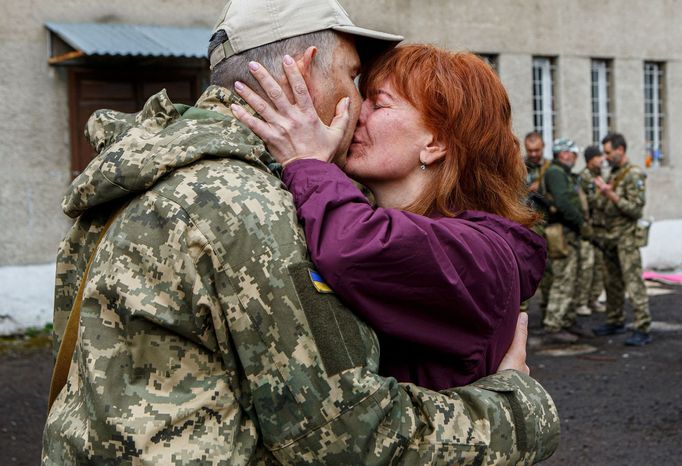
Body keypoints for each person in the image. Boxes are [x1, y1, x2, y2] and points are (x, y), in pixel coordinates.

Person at [42, 0, 560, 464]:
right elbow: (347, 437)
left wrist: (315, 169)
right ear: (307, 72)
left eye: (376, 100)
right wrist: (520, 407)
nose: (356, 105)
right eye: (356, 78)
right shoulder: (251, 203)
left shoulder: (149, 169)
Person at [231, 45, 547, 391]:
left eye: (378, 103)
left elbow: (353, 248)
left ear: (435, 142)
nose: (354, 113)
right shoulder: (430, 232)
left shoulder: (483, 254)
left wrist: (308, 162)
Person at [593, 132, 652, 346]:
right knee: (612, 282)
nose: (606, 157)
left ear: (620, 150)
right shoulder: (614, 174)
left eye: (609, 153)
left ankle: (643, 327)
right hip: (610, 238)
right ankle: (615, 320)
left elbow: (635, 210)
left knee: (633, 282)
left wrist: (611, 195)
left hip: (626, 238)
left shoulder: (634, 174)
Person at [541, 138, 589, 344]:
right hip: (562, 232)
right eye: (572, 153)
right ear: (562, 154)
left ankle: (568, 320)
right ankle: (554, 324)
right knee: (563, 279)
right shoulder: (555, 173)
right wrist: (581, 222)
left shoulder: (564, 174)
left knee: (573, 279)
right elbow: (562, 202)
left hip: (571, 233)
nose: (575, 157)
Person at [523, 131, 553, 315]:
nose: (533, 154)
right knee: (524, 270)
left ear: (543, 147)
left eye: (537, 150)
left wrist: (540, 192)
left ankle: (547, 312)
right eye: (530, 150)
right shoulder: (518, 166)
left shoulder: (551, 169)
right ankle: (521, 315)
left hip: (546, 226)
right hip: (525, 226)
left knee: (549, 272)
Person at [575, 145, 606, 316]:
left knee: (599, 265)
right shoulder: (584, 177)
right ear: (590, 160)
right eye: (598, 157)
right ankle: (581, 302)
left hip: (600, 227)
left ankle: (593, 298)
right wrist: (605, 193)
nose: (602, 159)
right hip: (588, 228)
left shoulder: (599, 176)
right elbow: (589, 202)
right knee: (587, 264)